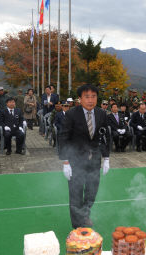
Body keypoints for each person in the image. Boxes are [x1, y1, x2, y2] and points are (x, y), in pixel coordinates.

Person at [58, 84, 110, 229]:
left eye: (93, 96)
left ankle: (85, 215)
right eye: (87, 97)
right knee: (76, 194)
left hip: (94, 160)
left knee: (91, 192)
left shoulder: (101, 114)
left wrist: (106, 158)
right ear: (80, 99)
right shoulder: (71, 114)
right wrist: (65, 162)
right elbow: (63, 137)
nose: (90, 100)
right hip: (75, 160)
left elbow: (105, 136)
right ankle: (77, 225)